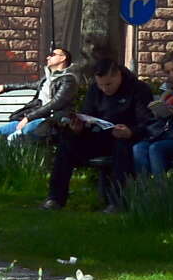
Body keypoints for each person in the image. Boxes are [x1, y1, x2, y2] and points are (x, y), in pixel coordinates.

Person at [51, 53, 149, 210]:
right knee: (67, 141)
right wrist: (79, 128)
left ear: (118, 75)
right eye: (101, 85)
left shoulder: (137, 89)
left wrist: (130, 131)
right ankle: (55, 198)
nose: (104, 89)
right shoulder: (95, 89)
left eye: (109, 84)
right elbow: (87, 114)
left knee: (122, 147)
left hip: (125, 138)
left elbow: (146, 122)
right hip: (99, 135)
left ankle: (117, 202)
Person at [0, 48, 77, 147]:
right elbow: (29, 85)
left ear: (62, 58)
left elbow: (55, 104)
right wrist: (6, 87)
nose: (48, 57)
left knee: (15, 137)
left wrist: (28, 118)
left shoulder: (68, 80)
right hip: (33, 119)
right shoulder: (47, 79)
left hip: (50, 121)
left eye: (52, 54)